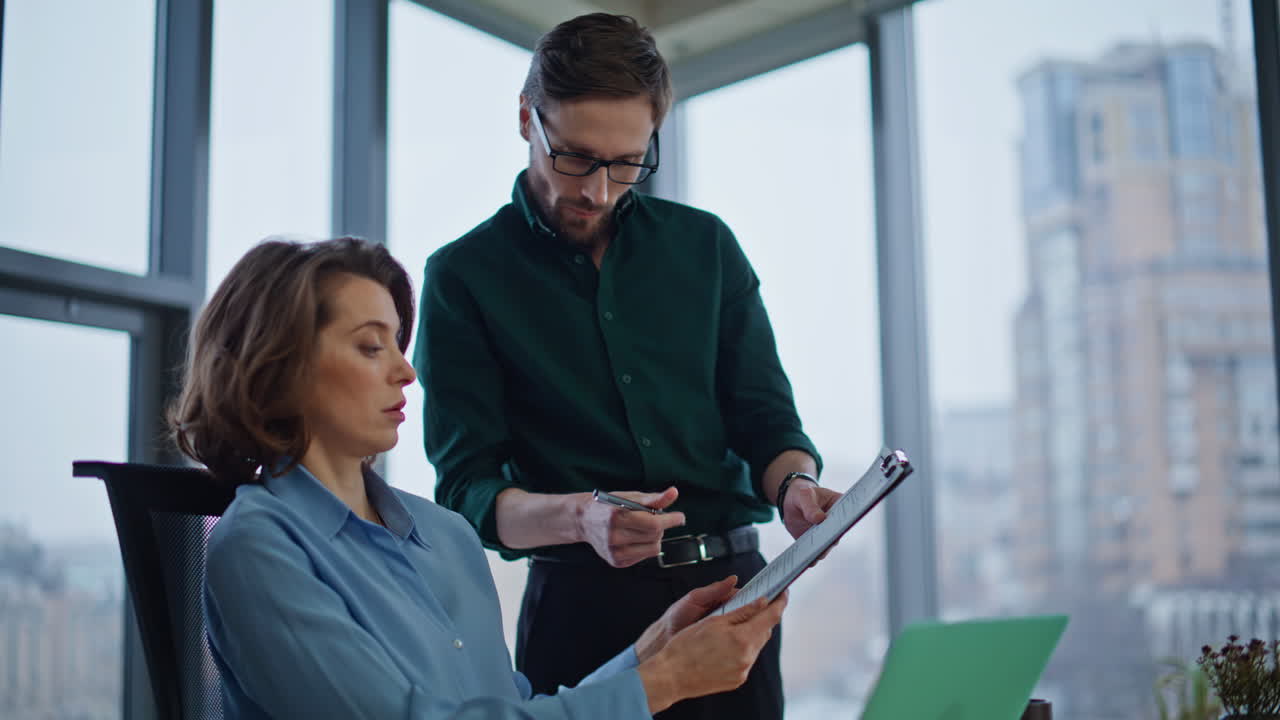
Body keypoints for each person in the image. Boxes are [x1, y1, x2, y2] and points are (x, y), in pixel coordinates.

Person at [413, 13, 841, 720]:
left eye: (627, 163)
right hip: (577, 612)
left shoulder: (707, 248)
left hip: (732, 594)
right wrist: (581, 518)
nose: (599, 191)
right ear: (527, 119)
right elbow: (467, 491)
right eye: (575, 157)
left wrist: (796, 486)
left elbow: (768, 422)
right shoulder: (463, 277)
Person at [168, 237, 787, 719]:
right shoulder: (256, 548)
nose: (407, 373)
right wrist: (667, 680)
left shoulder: (446, 534)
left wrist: (653, 652)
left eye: (398, 344)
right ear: (280, 365)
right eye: (370, 346)